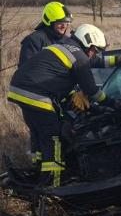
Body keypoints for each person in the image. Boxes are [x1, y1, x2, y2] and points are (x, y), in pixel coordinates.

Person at [7, 24, 112, 186]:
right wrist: (112, 103)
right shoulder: (80, 57)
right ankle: (52, 185)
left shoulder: (62, 46)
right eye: (95, 50)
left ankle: (39, 170)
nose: (94, 54)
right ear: (87, 43)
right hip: (36, 94)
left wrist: (116, 60)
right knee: (53, 137)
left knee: (39, 133)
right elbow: (92, 91)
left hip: (19, 89)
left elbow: (57, 77)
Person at [19, 1, 121, 67]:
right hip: (37, 96)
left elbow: (86, 60)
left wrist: (115, 60)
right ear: (49, 21)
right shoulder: (34, 40)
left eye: (66, 23)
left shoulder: (66, 40)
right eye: (60, 23)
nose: (64, 26)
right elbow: (26, 70)